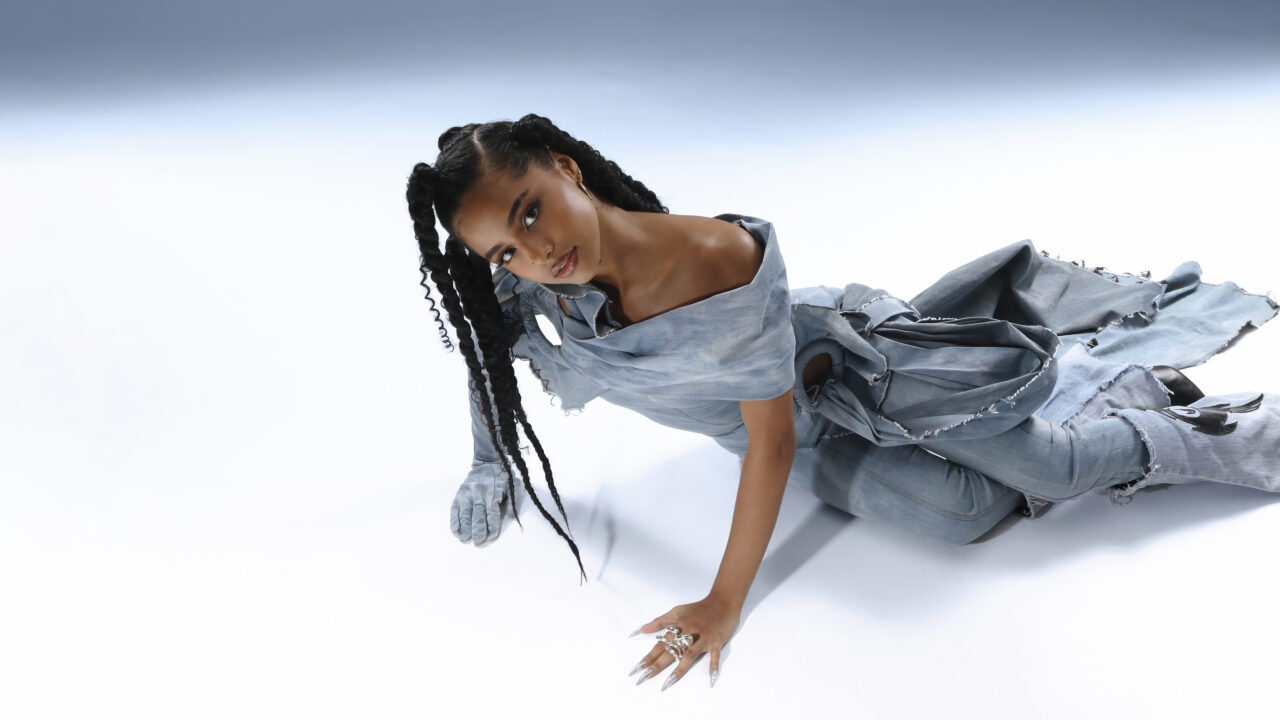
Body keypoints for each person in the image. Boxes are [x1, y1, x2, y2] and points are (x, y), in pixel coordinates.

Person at [405, 114, 1280, 692]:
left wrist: (722, 601)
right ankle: (1082, 388)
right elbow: (490, 357)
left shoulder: (713, 258)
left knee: (1047, 467)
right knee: (963, 516)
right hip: (789, 431)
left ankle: (1181, 421)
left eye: (531, 213)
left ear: (565, 170)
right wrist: (489, 462)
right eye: (503, 251)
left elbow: (772, 442)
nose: (532, 252)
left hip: (855, 370)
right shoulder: (536, 287)